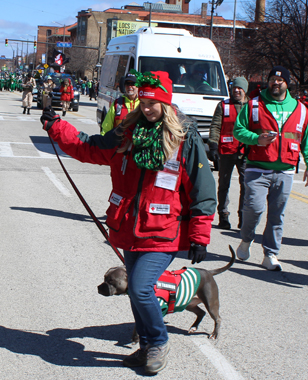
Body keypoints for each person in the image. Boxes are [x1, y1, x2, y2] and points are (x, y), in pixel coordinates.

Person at [40, 70, 216, 375]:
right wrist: (56, 127)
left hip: (163, 232)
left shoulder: (183, 138)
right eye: (143, 102)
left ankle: (159, 342)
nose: (146, 108)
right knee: (137, 291)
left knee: (139, 287)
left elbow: (203, 187)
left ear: (165, 101)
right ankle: (147, 347)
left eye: (153, 103)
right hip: (129, 228)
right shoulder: (128, 132)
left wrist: (200, 235)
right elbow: (90, 147)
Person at [233, 66, 308, 271]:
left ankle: (270, 254)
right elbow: (238, 130)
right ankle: (246, 240)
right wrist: (256, 139)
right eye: (272, 79)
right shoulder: (253, 105)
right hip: (257, 168)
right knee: (254, 208)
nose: (275, 83)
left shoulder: (300, 109)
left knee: (277, 215)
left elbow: (306, 139)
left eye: (280, 80)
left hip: (285, 170)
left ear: (287, 83)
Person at [208, 77, 249, 229]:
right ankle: (223, 215)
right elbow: (216, 126)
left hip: (245, 152)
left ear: (245, 89)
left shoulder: (252, 106)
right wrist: (213, 145)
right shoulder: (223, 106)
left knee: (246, 185)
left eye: (240, 88)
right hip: (226, 151)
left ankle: (243, 215)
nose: (236, 91)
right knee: (224, 184)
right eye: (234, 88)